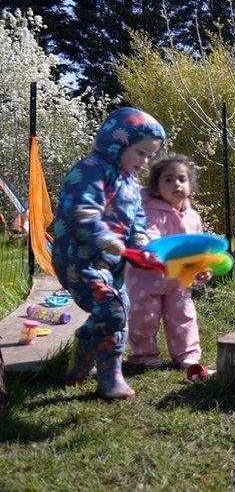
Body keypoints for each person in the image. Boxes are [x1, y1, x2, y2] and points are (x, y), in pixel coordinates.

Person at [52, 107, 166, 400]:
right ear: (118, 144)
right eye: (141, 153)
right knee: (112, 310)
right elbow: (79, 209)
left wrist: (142, 245)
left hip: (112, 263)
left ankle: (79, 365)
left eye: (149, 156)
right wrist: (103, 237)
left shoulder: (129, 181)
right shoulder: (91, 169)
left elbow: (136, 220)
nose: (145, 161)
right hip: (80, 257)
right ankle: (110, 379)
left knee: (118, 311)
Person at [125, 155, 212, 370]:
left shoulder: (193, 217)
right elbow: (149, 234)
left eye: (182, 179)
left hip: (178, 279)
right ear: (155, 186)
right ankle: (145, 355)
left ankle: (187, 354)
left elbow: (197, 246)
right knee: (145, 316)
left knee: (183, 315)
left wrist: (201, 267)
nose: (177, 184)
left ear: (191, 185)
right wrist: (154, 250)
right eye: (168, 179)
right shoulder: (148, 210)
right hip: (146, 276)